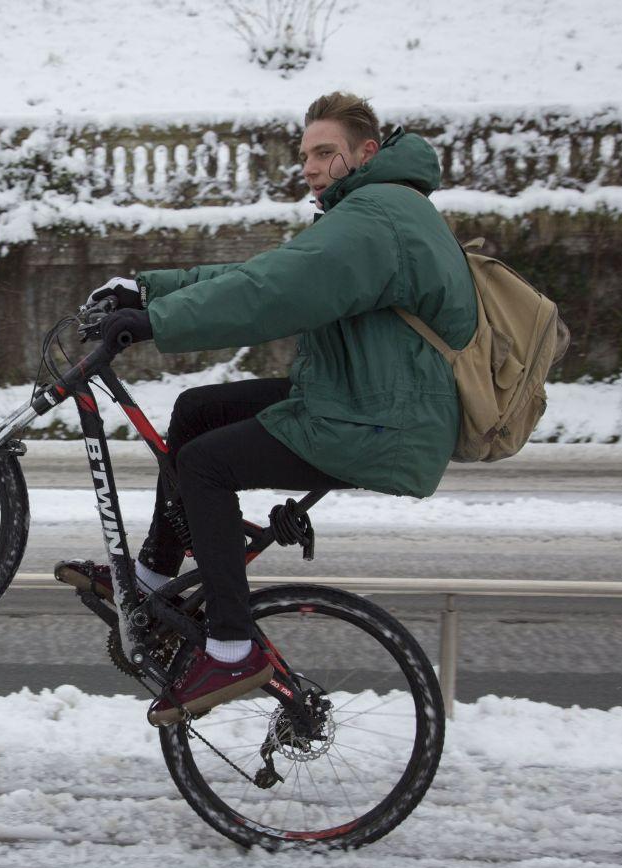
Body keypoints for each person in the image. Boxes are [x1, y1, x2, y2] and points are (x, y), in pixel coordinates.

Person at [56, 92, 478, 726]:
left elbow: (271, 293)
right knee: (197, 409)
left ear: (367, 152)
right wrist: (149, 288)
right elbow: (266, 270)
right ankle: (152, 574)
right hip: (359, 397)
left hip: (378, 421)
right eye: (304, 154)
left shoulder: (378, 217)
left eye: (325, 153)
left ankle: (231, 644)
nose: (309, 167)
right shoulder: (373, 208)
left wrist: (154, 322)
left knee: (204, 465)